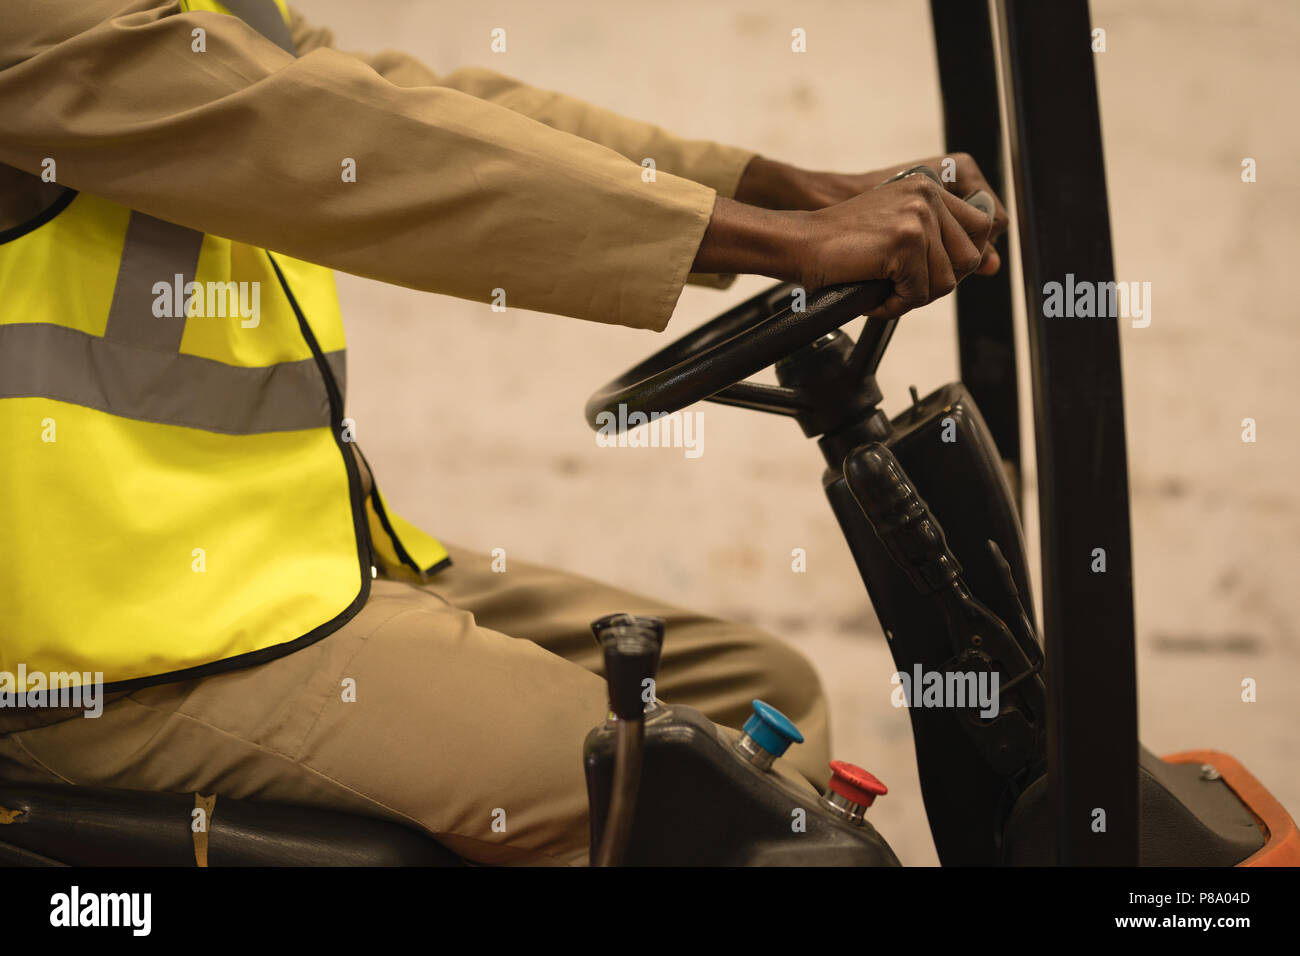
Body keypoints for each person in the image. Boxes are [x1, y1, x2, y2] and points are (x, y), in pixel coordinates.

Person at [0, 0, 1007, 865]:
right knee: (702, 808)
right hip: (120, 656)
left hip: (288, 570)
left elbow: (389, 100)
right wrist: (772, 241)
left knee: (762, 696)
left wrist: (783, 188)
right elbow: (318, 138)